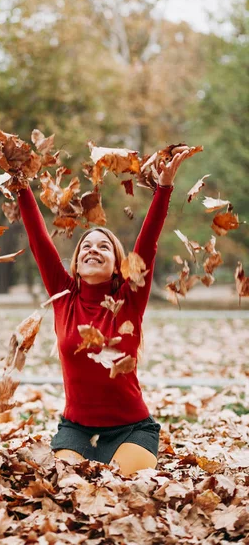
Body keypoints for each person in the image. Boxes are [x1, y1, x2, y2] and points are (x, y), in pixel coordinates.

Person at [17, 147, 190, 475]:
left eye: (103, 246)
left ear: (116, 266)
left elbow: (148, 244)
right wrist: (20, 181)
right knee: (69, 486)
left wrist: (164, 187)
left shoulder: (129, 298)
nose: (93, 249)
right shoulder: (63, 297)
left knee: (116, 486)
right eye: (86, 246)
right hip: (77, 430)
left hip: (131, 430)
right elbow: (39, 239)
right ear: (77, 263)